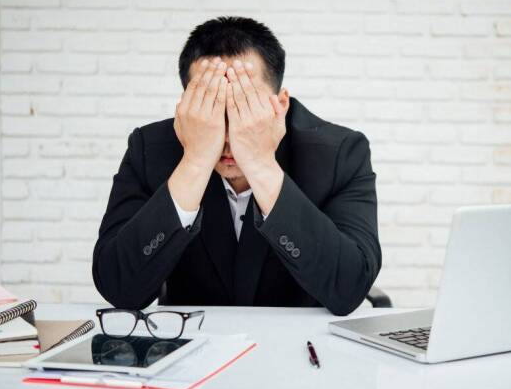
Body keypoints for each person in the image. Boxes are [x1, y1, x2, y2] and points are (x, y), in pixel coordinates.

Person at [92, 16, 381, 316]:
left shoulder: (340, 154)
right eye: (212, 106)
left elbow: (349, 287)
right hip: (191, 341)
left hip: (300, 344)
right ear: (188, 104)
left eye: (245, 107)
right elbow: (119, 287)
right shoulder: (149, 150)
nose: (229, 137)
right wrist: (195, 161)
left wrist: (260, 163)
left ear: (280, 105)